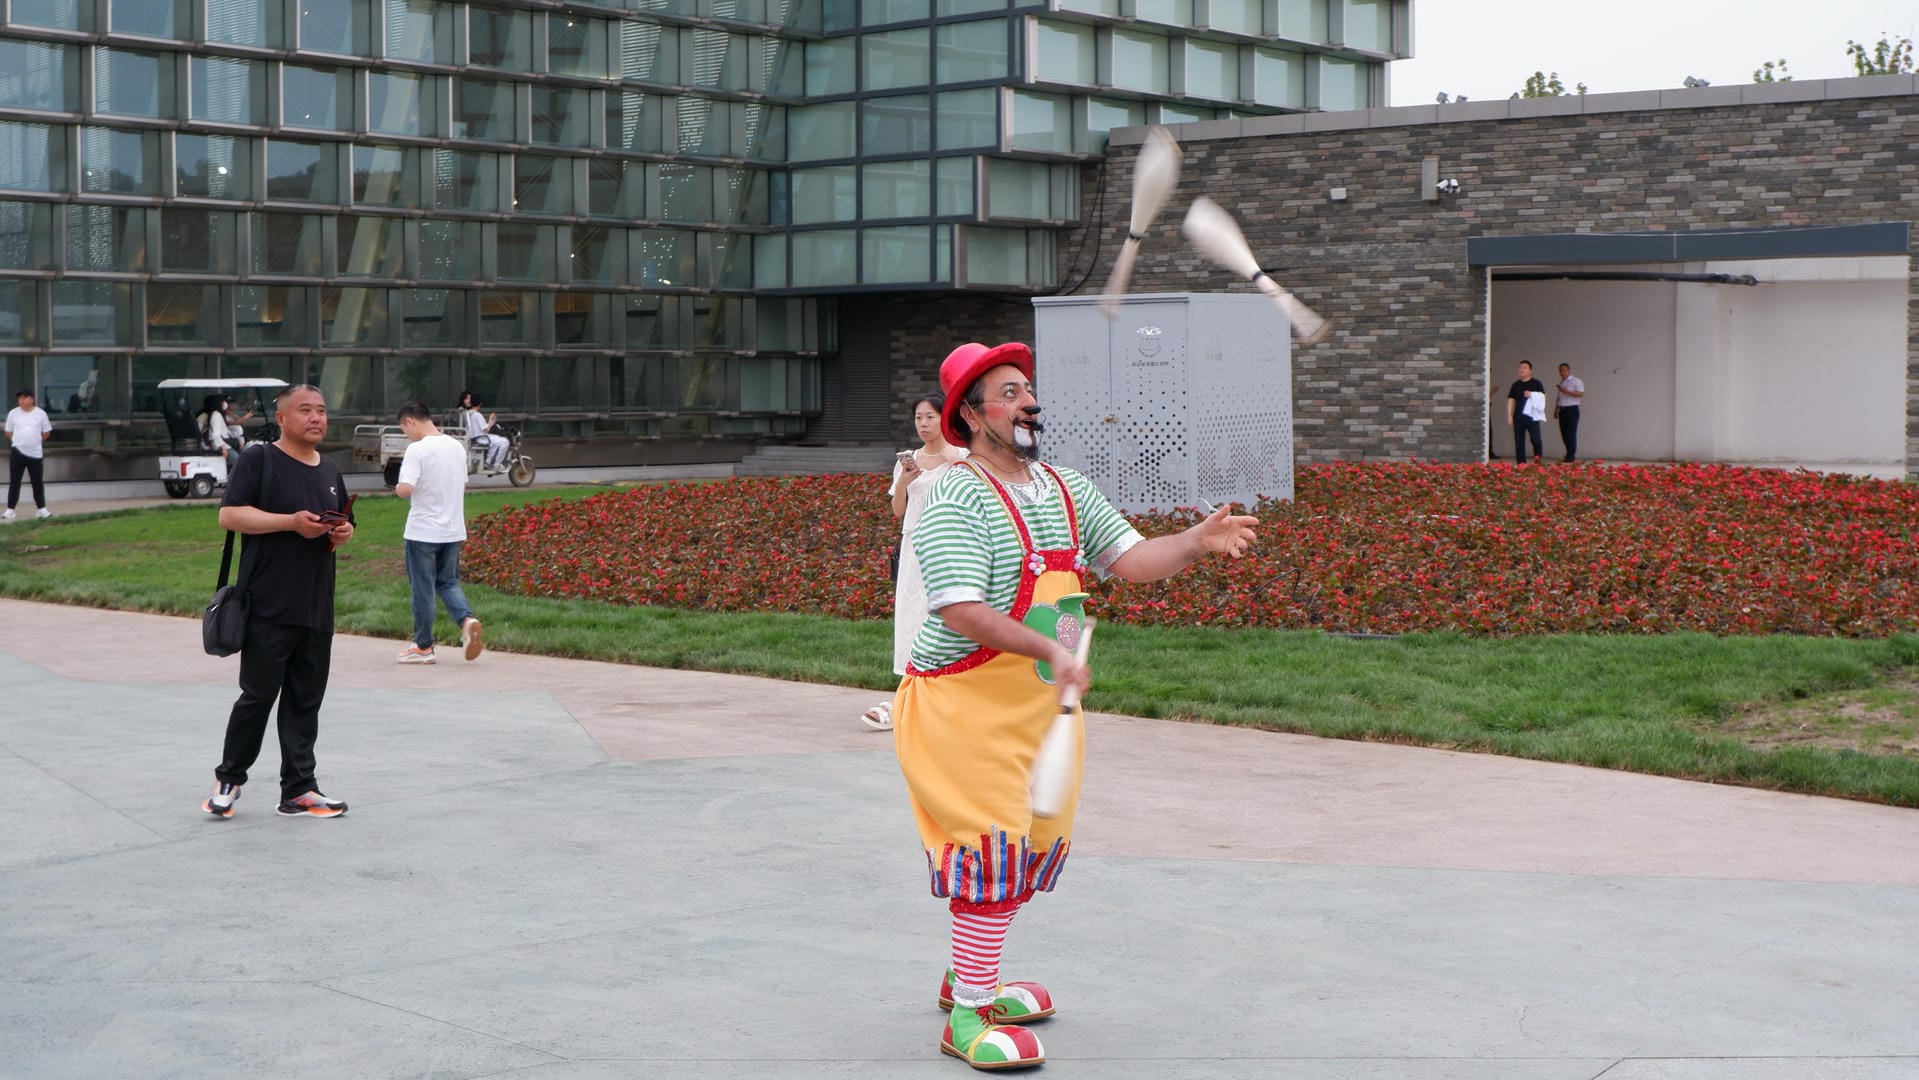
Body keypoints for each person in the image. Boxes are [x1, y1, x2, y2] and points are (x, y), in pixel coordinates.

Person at [892, 341, 1257, 1069]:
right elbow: (960, 608)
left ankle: (971, 977)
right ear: (971, 415)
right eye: (1007, 393)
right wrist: (1052, 650)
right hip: (960, 706)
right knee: (991, 849)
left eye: (1028, 389)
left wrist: (1192, 541)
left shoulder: (1065, 488)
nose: (1028, 403)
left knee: (1029, 847)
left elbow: (1129, 559)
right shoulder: (952, 496)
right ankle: (967, 1017)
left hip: (1040, 706)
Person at [200, 384, 355, 820]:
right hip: (268, 603)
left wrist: (344, 532)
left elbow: (346, 525)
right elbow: (229, 514)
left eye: (321, 410)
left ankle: (299, 789)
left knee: (305, 701)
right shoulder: (259, 459)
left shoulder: (330, 469)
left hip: (316, 605)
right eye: (305, 410)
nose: (316, 418)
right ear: (283, 418)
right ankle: (229, 779)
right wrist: (290, 523)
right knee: (257, 697)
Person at [862, 392, 969, 731]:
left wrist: (952, 462)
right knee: (912, 614)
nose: (923, 424)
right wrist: (904, 483)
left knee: (947, 616)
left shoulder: (962, 457)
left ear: (944, 418)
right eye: (919, 418)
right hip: (915, 545)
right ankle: (905, 696)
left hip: (951, 546)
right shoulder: (908, 461)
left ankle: (943, 700)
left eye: (930, 417)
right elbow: (898, 511)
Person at [393, 400, 484, 665]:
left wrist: (398, 488)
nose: (407, 436)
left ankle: (423, 646)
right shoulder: (456, 447)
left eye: (404, 430)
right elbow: (461, 483)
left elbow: (406, 489)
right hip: (452, 529)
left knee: (422, 588)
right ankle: (467, 620)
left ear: (410, 421)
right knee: (448, 582)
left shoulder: (417, 449)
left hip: (422, 530)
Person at [5, 388, 53, 520]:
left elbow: (46, 433)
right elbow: (8, 431)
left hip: (35, 453)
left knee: (37, 481)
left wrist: (35, 441)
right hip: (17, 452)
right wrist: (18, 440)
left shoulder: (41, 414)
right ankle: (10, 509)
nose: (21, 401)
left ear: (31, 399)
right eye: (19, 398)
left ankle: (41, 509)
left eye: (24, 398)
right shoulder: (13, 413)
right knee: (15, 481)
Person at [1505, 360, 1547, 464]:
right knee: (1519, 442)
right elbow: (1511, 400)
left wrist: (1532, 394)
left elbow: (1544, 397)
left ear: (1530, 370)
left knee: (1536, 440)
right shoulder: (1515, 385)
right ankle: (1521, 464)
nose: (1521, 369)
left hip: (1533, 417)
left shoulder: (1536, 383)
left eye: (1524, 367)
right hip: (1518, 417)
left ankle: (1538, 462)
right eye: (1520, 367)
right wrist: (1509, 415)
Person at [458, 390, 506, 468]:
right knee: (504, 442)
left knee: (496, 440)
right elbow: (487, 429)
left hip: (476, 437)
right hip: (481, 438)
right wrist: (490, 419)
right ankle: (497, 463)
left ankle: (488, 461)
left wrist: (491, 422)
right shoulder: (477, 415)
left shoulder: (468, 413)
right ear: (480, 403)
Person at [1554, 362, 1586, 463]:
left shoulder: (1576, 381)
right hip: (1562, 409)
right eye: (1561, 371)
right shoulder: (1561, 382)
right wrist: (1556, 409)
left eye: (1564, 370)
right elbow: (1559, 397)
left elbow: (1581, 394)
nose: (1562, 372)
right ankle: (1568, 453)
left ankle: (1571, 456)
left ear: (1569, 370)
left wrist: (1567, 391)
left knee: (1571, 433)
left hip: (1572, 409)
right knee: (1564, 433)